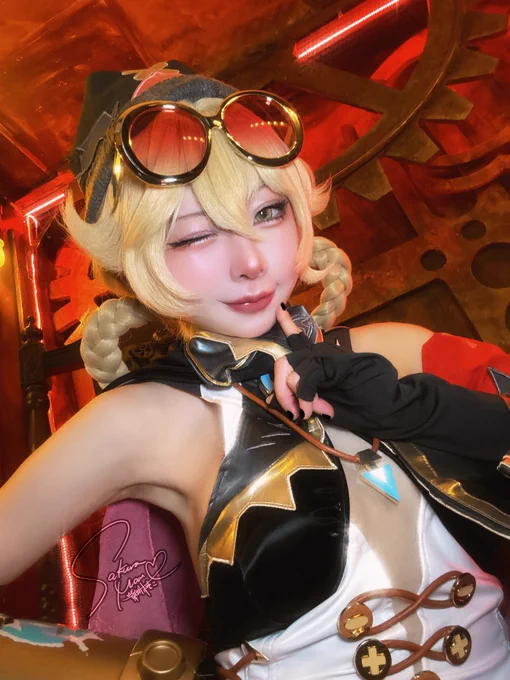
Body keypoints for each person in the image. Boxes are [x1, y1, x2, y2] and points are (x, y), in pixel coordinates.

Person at [1, 60, 509, 680]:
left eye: (267, 213)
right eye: (194, 236)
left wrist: (417, 408)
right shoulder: (142, 420)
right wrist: (144, 670)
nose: (250, 262)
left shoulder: (397, 351)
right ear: (131, 265)